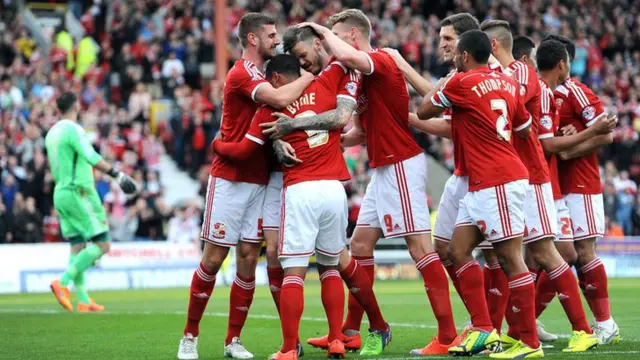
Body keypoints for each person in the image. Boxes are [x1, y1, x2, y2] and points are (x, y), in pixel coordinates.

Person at [274, 10, 458, 355]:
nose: (333, 42)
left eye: (337, 35)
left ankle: (447, 335)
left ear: (354, 36)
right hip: (383, 167)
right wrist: (331, 141)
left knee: (420, 248)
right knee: (358, 246)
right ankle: (352, 330)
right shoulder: (358, 76)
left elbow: (343, 55)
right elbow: (359, 129)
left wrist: (316, 29)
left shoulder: (379, 60)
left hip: (401, 163)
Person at [177, 12, 315, 360]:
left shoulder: (262, 74)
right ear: (252, 38)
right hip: (230, 178)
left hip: (259, 179)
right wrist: (312, 75)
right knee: (212, 258)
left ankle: (232, 341)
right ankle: (189, 337)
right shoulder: (242, 73)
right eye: (270, 35)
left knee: (248, 259)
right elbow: (281, 99)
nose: (276, 40)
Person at [418, 29, 541, 358]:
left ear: (464, 55)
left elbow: (425, 109)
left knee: (511, 259)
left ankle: (530, 344)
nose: (454, 57)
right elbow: (524, 128)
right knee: (456, 251)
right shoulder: (509, 83)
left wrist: (446, 83)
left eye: (456, 52)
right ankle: (484, 327)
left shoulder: (460, 82)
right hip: (485, 179)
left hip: (497, 180)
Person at [547, 34, 620, 345]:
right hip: (555, 185)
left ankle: (605, 323)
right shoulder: (543, 92)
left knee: (583, 253)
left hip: (581, 182)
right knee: (553, 254)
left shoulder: (576, 91)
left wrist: (571, 148)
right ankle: (530, 322)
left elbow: (607, 135)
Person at [46, 92, 138, 313]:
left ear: (58, 109)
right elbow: (89, 155)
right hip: (79, 192)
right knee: (103, 243)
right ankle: (63, 281)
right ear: (76, 106)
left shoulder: (52, 133)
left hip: (60, 193)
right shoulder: (74, 129)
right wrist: (118, 175)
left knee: (77, 246)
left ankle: (84, 300)